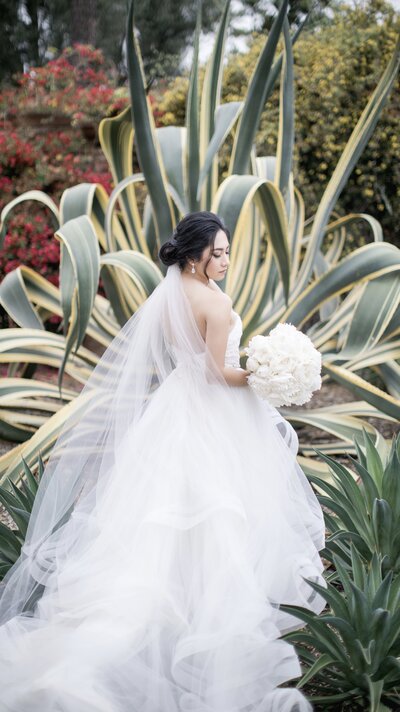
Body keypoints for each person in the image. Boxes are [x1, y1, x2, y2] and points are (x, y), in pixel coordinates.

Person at [0, 211, 325, 712]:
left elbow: (189, 362)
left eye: (225, 251)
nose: (224, 260)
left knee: (163, 516)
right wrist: (262, 373)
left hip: (176, 410)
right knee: (220, 515)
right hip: (215, 414)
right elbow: (218, 374)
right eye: (215, 252)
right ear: (194, 256)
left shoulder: (173, 293)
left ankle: (171, 616)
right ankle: (202, 626)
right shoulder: (215, 303)